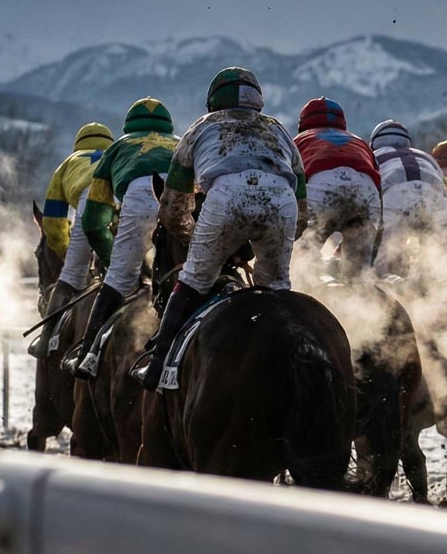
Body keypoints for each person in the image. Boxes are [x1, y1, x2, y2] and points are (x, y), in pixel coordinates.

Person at [134, 67, 307, 390]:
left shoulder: (201, 127)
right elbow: (303, 211)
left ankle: (157, 367)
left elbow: (172, 210)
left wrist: (195, 237)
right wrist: (265, 243)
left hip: (226, 194)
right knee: (276, 289)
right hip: (282, 198)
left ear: (213, 101)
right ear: (258, 100)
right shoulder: (278, 130)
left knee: (192, 281)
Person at [67, 97, 178, 381]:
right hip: (183, 194)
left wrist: (113, 258)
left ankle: (88, 356)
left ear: (129, 126)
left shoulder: (118, 148)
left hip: (141, 194)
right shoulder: (180, 143)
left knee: (118, 279)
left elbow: (94, 222)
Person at [28, 122, 114, 358]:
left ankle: (45, 341)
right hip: (123, 205)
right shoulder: (120, 155)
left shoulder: (67, 164)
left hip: (90, 205)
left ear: (78, 146)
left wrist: (69, 255)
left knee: (70, 277)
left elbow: (54, 226)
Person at [293, 97, 381, 279]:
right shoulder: (359, 142)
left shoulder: (299, 140)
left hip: (319, 189)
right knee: (358, 277)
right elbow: (379, 186)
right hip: (366, 192)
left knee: (302, 264)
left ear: (303, 123)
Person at [370, 120, 447, 277]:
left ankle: (377, 298)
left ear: (374, 143)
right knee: (432, 263)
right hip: (434, 203)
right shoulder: (426, 157)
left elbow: (368, 194)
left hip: (394, 201)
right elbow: (444, 193)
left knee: (380, 265)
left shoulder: (373, 156)